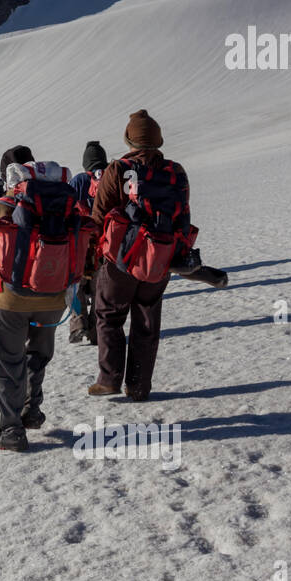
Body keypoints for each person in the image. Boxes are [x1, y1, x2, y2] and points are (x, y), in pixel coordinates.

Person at [0, 145, 69, 452]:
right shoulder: (61, 202)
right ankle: (31, 409)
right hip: (53, 298)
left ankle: (11, 428)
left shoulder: (0, 207)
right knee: (37, 354)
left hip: (8, 301)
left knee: (8, 361)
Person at [88, 111, 191, 401]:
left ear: (128, 139)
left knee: (109, 316)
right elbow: (183, 212)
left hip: (120, 258)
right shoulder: (176, 170)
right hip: (159, 257)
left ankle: (109, 379)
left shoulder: (118, 169)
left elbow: (99, 214)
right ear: (157, 140)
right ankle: (139, 386)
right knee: (147, 321)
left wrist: (94, 253)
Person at [67, 141, 107, 345]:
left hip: (80, 246)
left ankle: (78, 323)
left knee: (75, 287)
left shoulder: (79, 181)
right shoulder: (111, 178)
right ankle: (96, 332)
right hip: (105, 248)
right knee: (101, 290)